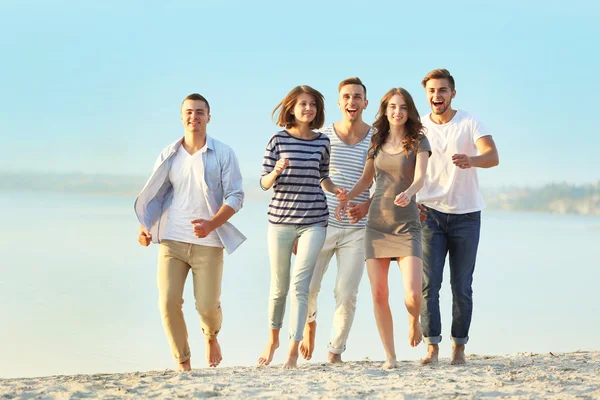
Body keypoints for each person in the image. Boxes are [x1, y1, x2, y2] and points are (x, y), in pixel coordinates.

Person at [134, 93, 246, 371]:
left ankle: (211, 336)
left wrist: (212, 223)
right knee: (168, 302)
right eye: (188, 112)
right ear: (181, 116)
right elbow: (155, 195)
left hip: (208, 241)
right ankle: (183, 362)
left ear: (209, 117)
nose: (193, 117)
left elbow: (236, 195)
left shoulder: (223, 153)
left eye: (199, 112)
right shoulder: (169, 154)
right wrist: (145, 227)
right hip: (173, 239)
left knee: (207, 306)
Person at [337, 88, 431, 369]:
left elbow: (421, 177)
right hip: (377, 225)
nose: (397, 112)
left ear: (409, 110)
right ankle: (390, 356)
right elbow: (367, 180)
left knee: (413, 294)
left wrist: (410, 193)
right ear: (385, 109)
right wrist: (348, 198)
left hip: (407, 225)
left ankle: (414, 320)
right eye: (392, 106)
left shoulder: (418, 141)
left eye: (402, 107)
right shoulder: (375, 141)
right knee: (379, 294)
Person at [257, 85, 345, 369]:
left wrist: (338, 190)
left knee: (300, 286)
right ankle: (273, 339)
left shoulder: (322, 142)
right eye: (302, 104)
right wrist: (276, 171)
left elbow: (323, 178)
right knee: (278, 287)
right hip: (280, 221)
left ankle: (293, 349)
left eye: (313, 105)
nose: (308, 109)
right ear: (291, 108)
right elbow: (263, 183)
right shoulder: (277, 139)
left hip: (314, 220)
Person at [417, 68, 499, 365]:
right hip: (430, 214)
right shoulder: (419, 126)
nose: (436, 96)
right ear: (426, 95)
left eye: (442, 90)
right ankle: (432, 346)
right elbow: (405, 166)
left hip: (466, 215)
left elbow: (492, 156)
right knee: (430, 284)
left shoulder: (470, 121)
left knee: (461, 285)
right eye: (431, 91)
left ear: (453, 93)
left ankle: (459, 346)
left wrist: (471, 160)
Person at [298, 77, 373, 364]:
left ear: (365, 103)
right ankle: (310, 324)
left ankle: (335, 352)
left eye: (357, 97)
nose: (352, 102)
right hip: (320, 223)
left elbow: (379, 180)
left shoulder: (376, 137)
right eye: (346, 97)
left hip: (357, 230)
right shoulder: (323, 135)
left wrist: (366, 204)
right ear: (339, 102)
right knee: (308, 287)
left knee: (346, 293)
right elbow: (310, 179)